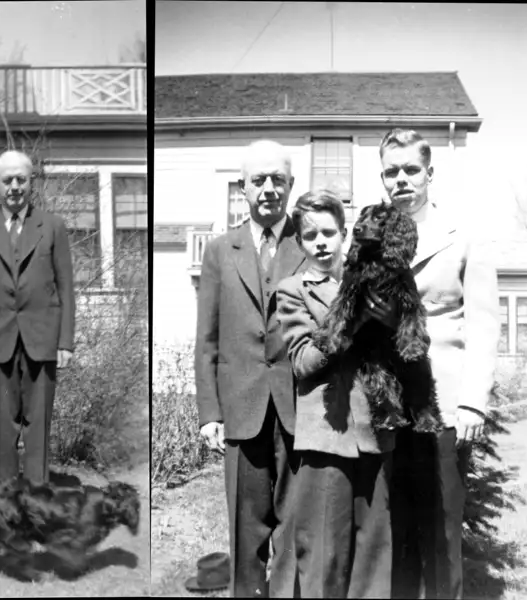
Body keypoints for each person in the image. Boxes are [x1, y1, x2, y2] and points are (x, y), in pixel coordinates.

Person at [369, 129, 500, 598]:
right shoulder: (371, 235)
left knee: (442, 529)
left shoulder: (463, 237)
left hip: (443, 401)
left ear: (429, 173)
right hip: (387, 406)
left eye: (410, 170)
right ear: (381, 176)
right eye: (391, 171)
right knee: (396, 529)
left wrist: (473, 404)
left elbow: (485, 325)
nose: (400, 180)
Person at [195, 139, 305, 597]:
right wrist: (209, 413)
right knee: (246, 528)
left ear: (291, 185)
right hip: (240, 407)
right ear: (242, 188)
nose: (268, 189)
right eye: (258, 180)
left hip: (299, 407)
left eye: (277, 179)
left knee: (295, 526)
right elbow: (207, 337)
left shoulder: (311, 244)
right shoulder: (222, 250)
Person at [276, 190, 396, 597]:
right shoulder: (293, 290)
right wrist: (353, 319)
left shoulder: (374, 282)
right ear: (299, 242)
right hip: (326, 435)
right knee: (325, 551)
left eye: (329, 232)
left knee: (373, 551)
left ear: (345, 234)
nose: (321, 243)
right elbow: (304, 362)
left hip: (375, 432)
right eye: (311, 236)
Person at [0, 150, 75, 486]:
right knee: (2, 427)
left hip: (42, 340)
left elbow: (66, 288)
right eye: (7, 180)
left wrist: (65, 341)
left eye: (21, 179)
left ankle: (35, 500)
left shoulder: (52, 226)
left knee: (38, 426)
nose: (14, 187)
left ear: (33, 183)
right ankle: (5, 504)